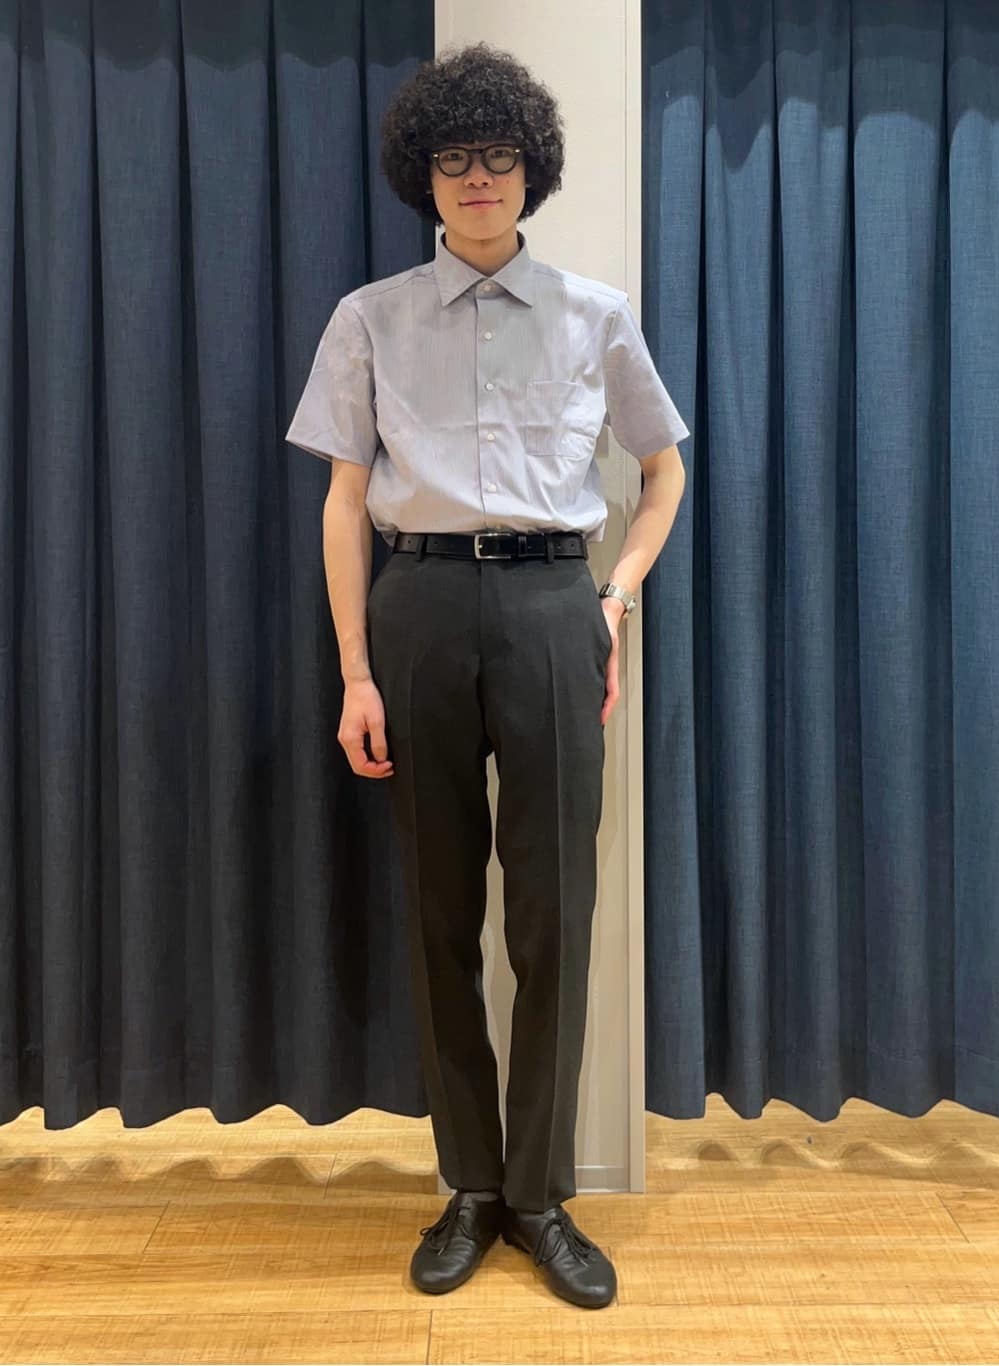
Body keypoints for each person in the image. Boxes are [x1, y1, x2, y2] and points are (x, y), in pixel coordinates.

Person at [285, 40, 689, 1311]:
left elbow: (663, 470)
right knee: (437, 902)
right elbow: (343, 502)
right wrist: (355, 671)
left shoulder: (593, 315)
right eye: (454, 157)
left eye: (498, 155)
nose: (477, 177)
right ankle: (467, 1182)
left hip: (551, 605)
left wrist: (613, 601)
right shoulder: (368, 318)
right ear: (424, 171)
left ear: (530, 170)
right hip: (413, 607)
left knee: (555, 905)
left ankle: (539, 1193)